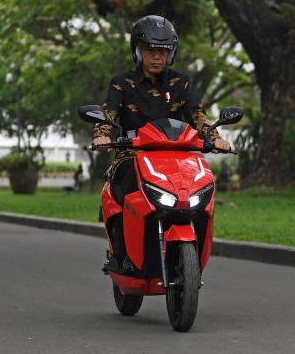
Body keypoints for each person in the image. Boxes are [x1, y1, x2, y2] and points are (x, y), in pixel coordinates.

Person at [93, 15, 231, 269]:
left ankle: (194, 252)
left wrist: (215, 138)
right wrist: (102, 135)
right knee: (126, 189)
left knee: (200, 191)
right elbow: (108, 113)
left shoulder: (182, 82)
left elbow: (197, 115)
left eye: (163, 50)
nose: (156, 56)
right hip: (132, 156)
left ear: (171, 53)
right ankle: (123, 257)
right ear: (137, 51)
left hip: (179, 158)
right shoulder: (121, 83)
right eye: (149, 50)